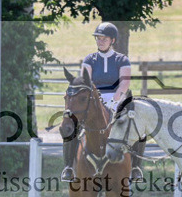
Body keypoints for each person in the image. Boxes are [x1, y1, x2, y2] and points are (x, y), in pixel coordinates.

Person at [61, 22, 142, 182]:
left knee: (136, 124)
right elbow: (86, 81)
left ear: (112, 40)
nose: (100, 41)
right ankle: (69, 167)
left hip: (117, 97)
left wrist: (114, 100)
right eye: (98, 38)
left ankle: (135, 167)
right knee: (72, 126)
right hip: (94, 98)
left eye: (104, 38)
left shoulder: (122, 59)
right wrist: (96, 99)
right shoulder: (90, 59)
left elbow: (124, 83)